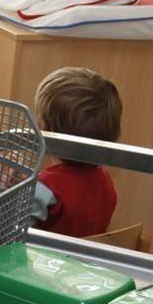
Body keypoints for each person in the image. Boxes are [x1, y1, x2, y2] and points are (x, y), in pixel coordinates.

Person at [31, 67, 122, 237]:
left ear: (43, 127)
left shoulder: (47, 186)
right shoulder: (105, 180)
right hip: (83, 262)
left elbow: (11, 230)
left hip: (44, 262)